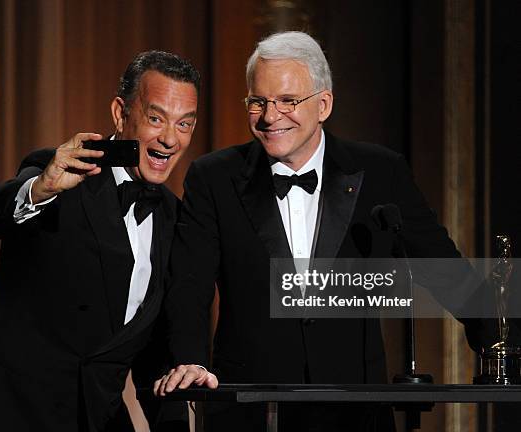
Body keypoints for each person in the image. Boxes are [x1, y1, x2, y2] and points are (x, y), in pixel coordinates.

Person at [155, 31, 491, 431]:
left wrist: (502, 340)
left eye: (287, 101)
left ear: (324, 104)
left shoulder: (381, 171)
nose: (269, 116)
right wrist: (189, 360)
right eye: (258, 102)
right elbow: (188, 286)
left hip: (355, 408)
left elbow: (440, 265)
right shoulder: (214, 177)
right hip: (250, 411)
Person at [0, 50, 199, 432]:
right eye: (156, 118)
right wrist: (39, 189)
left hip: (97, 416)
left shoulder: (176, 218)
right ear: (120, 113)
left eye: (185, 124)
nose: (170, 139)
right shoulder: (62, 176)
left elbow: (153, 350)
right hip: (2, 409)